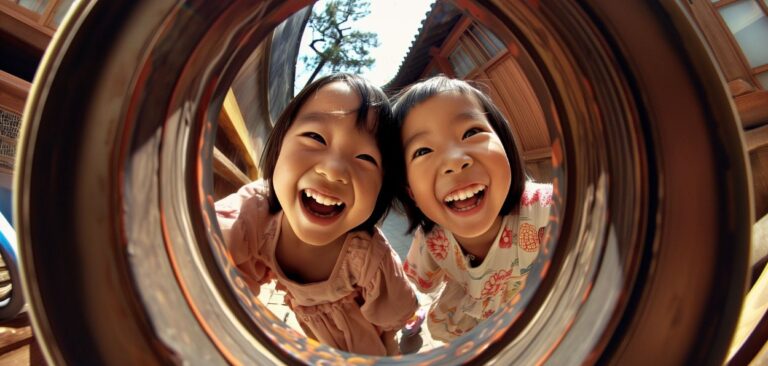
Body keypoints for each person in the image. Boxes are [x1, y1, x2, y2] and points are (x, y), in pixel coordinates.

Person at [215, 73, 417, 356]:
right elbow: (212, 252)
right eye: (315, 137)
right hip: (315, 336)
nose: (333, 170)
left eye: (365, 158)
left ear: (383, 188)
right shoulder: (256, 213)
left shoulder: (370, 257)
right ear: (279, 143)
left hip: (365, 339)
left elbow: (390, 315)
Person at [391, 75, 552, 342]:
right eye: (422, 151)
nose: (455, 161)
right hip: (478, 334)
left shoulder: (547, 211)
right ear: (411, 193)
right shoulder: (432, 241)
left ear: (505, 143)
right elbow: (421, 282)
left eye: (471, 133)